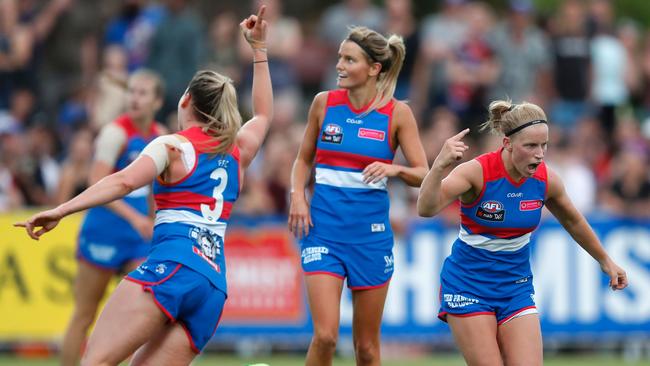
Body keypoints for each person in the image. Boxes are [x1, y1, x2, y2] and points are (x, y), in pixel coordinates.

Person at [15, 6, 272, 365]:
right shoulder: (238, 151)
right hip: (212, 287)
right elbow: (262, 114)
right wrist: (259, 49)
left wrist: (61, 209)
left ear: (185, 101)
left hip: (173, 268)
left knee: (95, 361)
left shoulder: (171, 145)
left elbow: (121, 181)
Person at [416, 100, 628, 365]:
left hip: (515, 287)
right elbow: (425, 208)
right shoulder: (477, 173)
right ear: (507, 144)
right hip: (468, 286)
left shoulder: (546, 180)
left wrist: (606, 260)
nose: (539, 154)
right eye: (530, 146)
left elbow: (573, 221)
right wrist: (438, 166)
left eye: (544, 145)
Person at [289, 26, 428, 366]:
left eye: (349, 59)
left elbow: (424, 173)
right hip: (323, 233)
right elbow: (303, 159)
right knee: (325, 336)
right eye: (339, 57)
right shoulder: (323, 103)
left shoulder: (398, 114)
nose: (339, 65)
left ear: (374, 68)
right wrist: (297, 195)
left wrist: (394, 170)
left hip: (370, 240)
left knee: (366, 348)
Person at [57, 68, 165, 366]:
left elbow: (158, 190)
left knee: (135, 318)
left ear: (157, 101)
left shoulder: (161, 136)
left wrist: (155, 223)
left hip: (139, 237)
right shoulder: (115, 133)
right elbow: (97, 183)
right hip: (104, 231)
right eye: (131, 91)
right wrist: (136, 219)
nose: (135, 98)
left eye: (143, 93)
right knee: (85, 315)